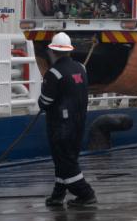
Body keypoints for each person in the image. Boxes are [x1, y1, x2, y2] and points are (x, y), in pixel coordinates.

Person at [38, 32, 97, 207]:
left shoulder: (53, 74)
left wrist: (41, 102)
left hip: (61, 125)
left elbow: (45, 102)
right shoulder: (81, 68)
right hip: (78, 123)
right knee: (65, 159)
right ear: (69, 51)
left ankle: (86, 194)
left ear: (53, 52)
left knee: (65, 161)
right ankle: (58, 194)